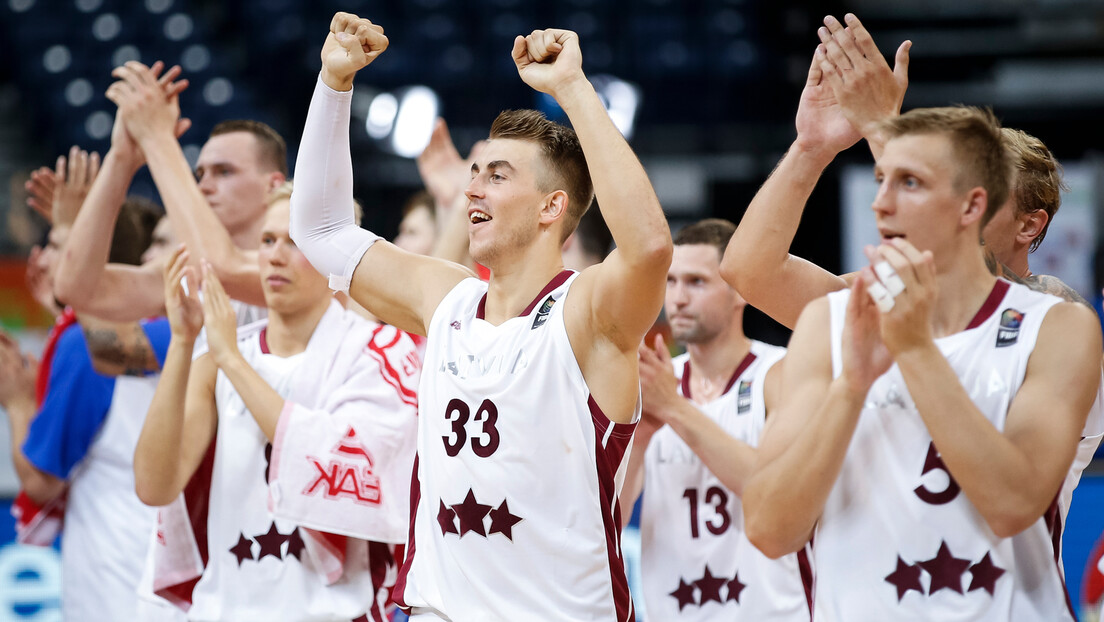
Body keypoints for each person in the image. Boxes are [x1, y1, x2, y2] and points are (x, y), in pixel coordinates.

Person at [290, 13, 672, 621]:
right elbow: (320, 230)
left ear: (552, 207)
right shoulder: (445, 299)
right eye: (474, 174)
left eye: (497, 176)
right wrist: (333, 84)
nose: (474, 190)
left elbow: (650, 247)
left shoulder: (586, 313)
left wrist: (573, 89)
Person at [722, 14, 1104, 569]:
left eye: (966, 193)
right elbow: (752, 272)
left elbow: (976, 297)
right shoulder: (878, 301)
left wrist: (883, 130)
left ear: (1026, 223)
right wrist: (810, 148)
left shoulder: (1056, 316)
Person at [133, 189, 420, 620]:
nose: (275, 256)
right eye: (267, 241)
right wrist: (183, 340)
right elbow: (154, 486)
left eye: (295, 242)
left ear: (336, 254)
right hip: (225, 608)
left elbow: (344, 474)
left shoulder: (380, 351)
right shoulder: (219, 357)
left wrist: (229, 358)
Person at [0, 159, 176, 621]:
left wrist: (18, 401)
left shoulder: (102, 344)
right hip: (164, 579)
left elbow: (41, 482)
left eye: (60, 245)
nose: (44, 258)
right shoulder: (175, 336)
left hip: (120, 585)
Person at [620, 219, 808, 620]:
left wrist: (674, 409)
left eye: (696, 282)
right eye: (670, 282)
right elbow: (608, 523)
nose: (679, 298)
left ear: (739, 290)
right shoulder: (652, 384)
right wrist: (639, 440)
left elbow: (779, 497)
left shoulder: (779, 373)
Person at [54, 61, 285, 321]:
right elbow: (76, 290)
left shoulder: (302, 261)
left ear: (273, 186)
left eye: (224, 172)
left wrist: (156, 137)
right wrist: (121, 159)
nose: (204, 186)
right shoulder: (185, 270)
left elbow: (224, 268)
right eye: (200, 174)